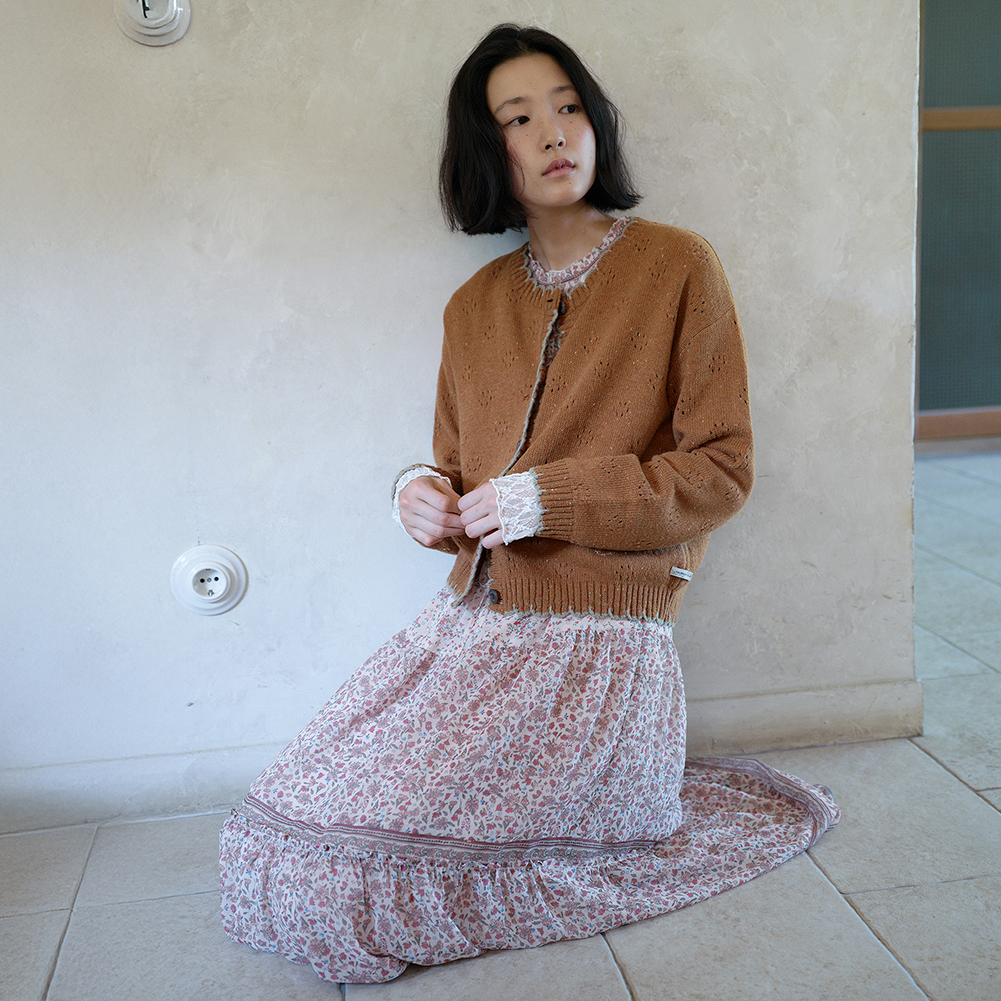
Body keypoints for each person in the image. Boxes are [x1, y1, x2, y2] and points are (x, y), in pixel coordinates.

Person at [219, 23, 839, 985]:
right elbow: (456, 471)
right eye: (518, 117)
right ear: (488, 148)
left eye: (568, 106)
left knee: (339, 888)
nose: (553, 132)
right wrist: (417, 496)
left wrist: (551, 497)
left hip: (598, 650)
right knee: (268, 836)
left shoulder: (678, 266)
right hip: (468, 631)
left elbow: (719, 472)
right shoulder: (471, 305)